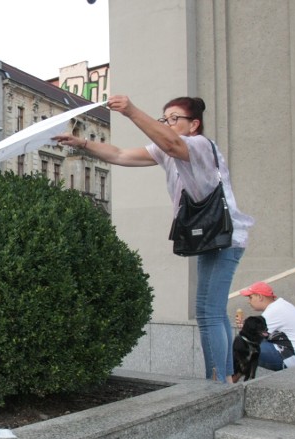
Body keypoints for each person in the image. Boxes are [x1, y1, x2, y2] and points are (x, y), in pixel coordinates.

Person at [53, 95, 254, 383]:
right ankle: (226, 378)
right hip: (212, 238)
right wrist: (83, 144)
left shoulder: (197, 145)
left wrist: (132, 110)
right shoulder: (166, 151)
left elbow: (172, 143)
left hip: (225, 238)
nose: (168, 124)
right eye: (165, 119)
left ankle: (217, 383)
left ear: (194, 124)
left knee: (207, 311)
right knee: (214, 309)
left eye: (175, 119)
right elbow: (120, 155)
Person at [236, 281, 295, 372]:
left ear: (260, 297)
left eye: (250, 297)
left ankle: (228, 382)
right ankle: (232, 379)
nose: (248, 301)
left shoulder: (274, 311)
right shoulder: (280, 306)